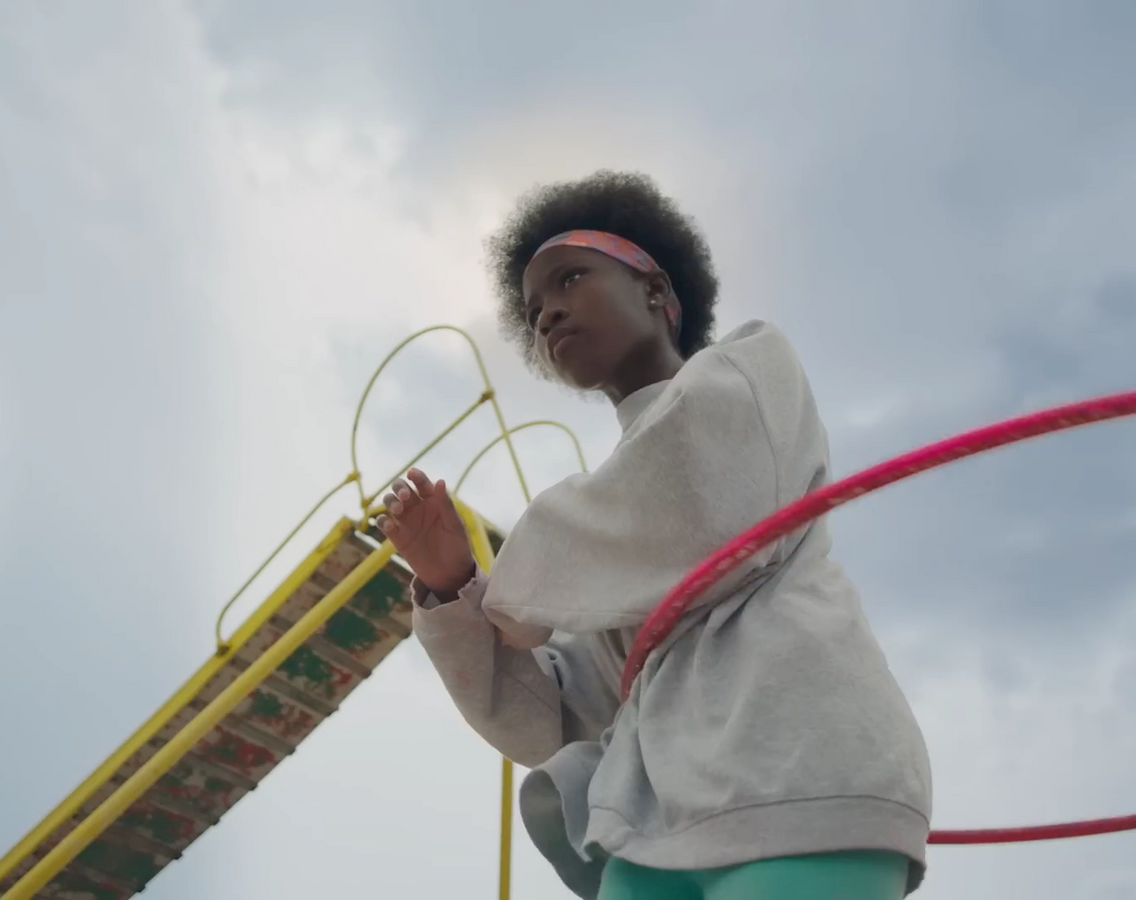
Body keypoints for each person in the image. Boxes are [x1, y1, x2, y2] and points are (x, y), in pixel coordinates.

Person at [376, 171, 932, 899]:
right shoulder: (608, 548)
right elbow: (558, 714)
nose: (546, 315)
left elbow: (689, 501)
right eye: (534, 308)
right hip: (654, 827)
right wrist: (451, 589)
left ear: (657, 292)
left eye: (570, 278)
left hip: (801, 780)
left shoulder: (752, 372)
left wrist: (505, 592)